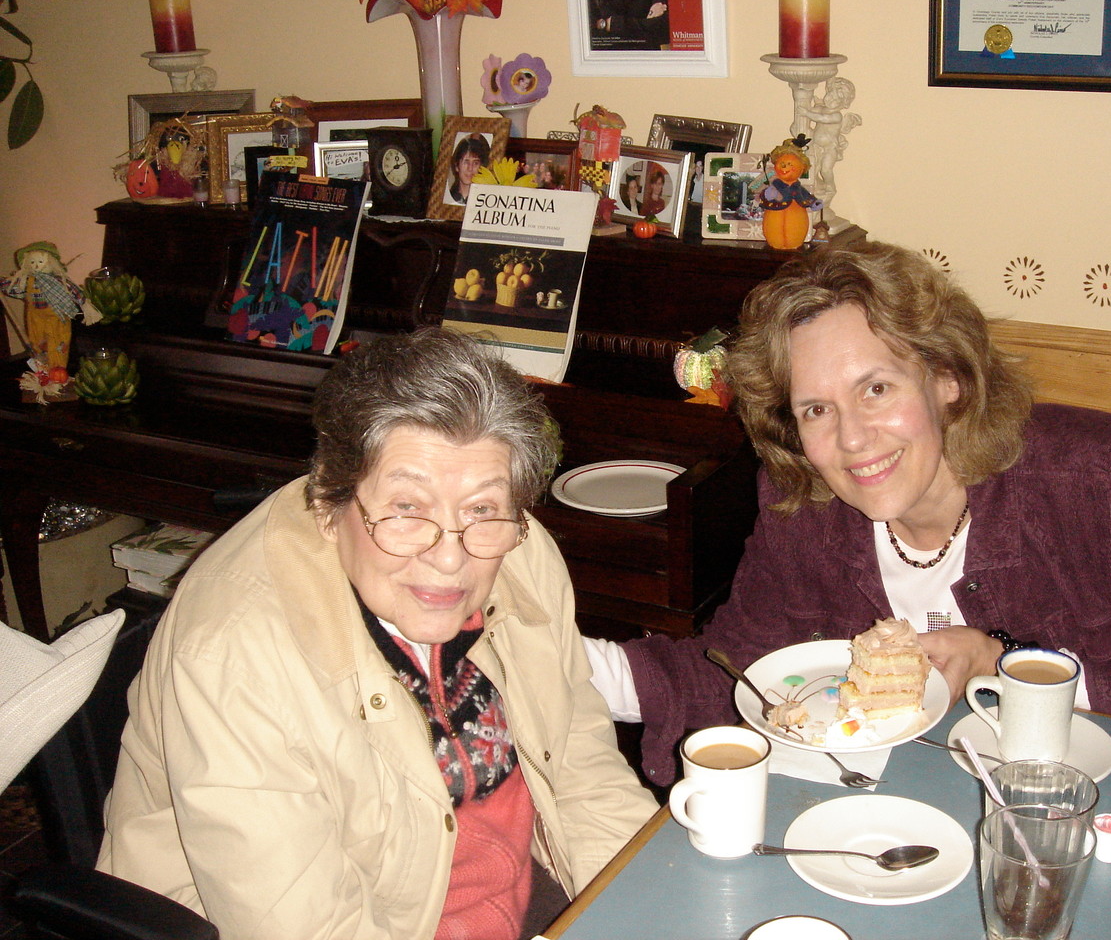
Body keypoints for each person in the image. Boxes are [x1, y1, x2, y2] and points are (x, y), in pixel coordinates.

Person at [585, 242, 1111, 787]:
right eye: (816, 408)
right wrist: (560, 663)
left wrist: (1001, 665)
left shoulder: (1102, 481)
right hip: (886, 822)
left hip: (1075, 814)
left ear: (947, 378)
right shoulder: (805, 511)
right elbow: (731, 671)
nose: (852, 438)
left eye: (876, 388)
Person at [99, 328, 658, 939]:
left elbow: (578, 760)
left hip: (510, 892)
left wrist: (652, 900)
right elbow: (307, 926)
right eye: (406, 509)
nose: (450, 559)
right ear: (328, 503)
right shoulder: (236, 655)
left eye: (481, 508)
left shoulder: (519, 549)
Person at [1, 240, 101, 374]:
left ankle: (58, 369)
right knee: (37, 342)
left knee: (58, 342)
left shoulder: (59, 282)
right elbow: (13, 288)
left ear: (50, 262)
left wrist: (85, 304)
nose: (36, 265)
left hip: (57, 317)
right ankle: (43, 371)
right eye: (32, 262)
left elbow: (73, 291)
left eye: (40, 262)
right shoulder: (26, 281)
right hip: (35, 318)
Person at [587, 0, 669, 51]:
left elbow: (664, 30)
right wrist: (646, 24)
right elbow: (587, 33)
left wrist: (611, 24)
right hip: (603, 63)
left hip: (644, 61)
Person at [448, 133, 491, 205]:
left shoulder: (485, 201)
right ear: (456, 166)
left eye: (475, 163)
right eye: (466, 162)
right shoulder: (448, 199)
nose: (470, 168)